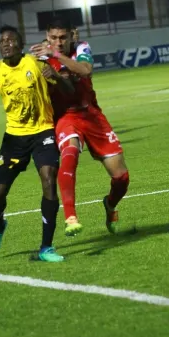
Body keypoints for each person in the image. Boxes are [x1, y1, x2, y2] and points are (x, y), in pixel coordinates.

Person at [0, 25, 74, 262]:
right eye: (2, 41)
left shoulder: (37, 63)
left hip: (43, 131)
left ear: (20, 45)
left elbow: (70, 90)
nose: (5, 44)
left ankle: (46, 248)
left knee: (49, 181)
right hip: (14, 138)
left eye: (11, 40)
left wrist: (57, 79)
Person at [30, 20, 130, 237]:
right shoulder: (37, 57)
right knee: (70, 153)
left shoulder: (81, 48)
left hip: (92, 116)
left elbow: (85, 70)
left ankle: (110, 204)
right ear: (47, 36)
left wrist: (55, 56)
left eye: (63, 38)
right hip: (65, 117)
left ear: (71, 37)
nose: (58, 42)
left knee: (121, 178)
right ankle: (71, 216)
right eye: (54, 38)